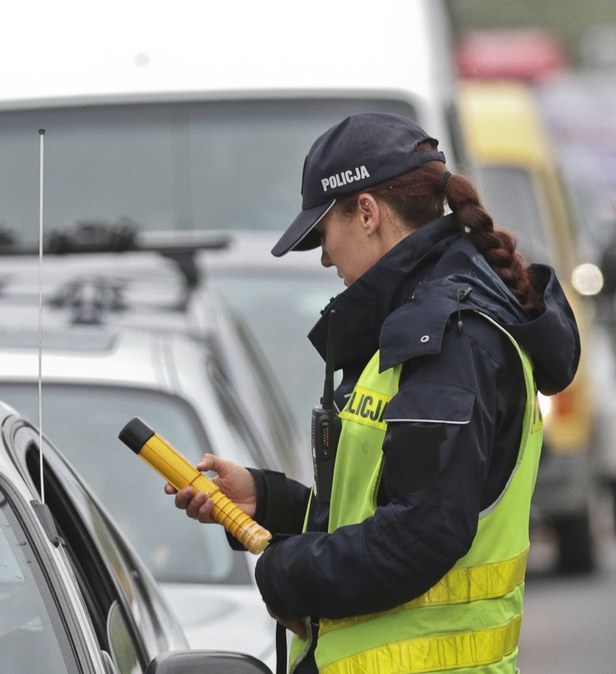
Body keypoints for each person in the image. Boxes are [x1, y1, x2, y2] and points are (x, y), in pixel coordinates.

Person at [168, 112, 580, 673]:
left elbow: (419, 535)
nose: (324, 257)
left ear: (366, 213)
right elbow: (389, 506)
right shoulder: (416, 327)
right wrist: (270, 504)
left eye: (323, 234)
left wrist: (285, 574)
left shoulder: (447, 338)